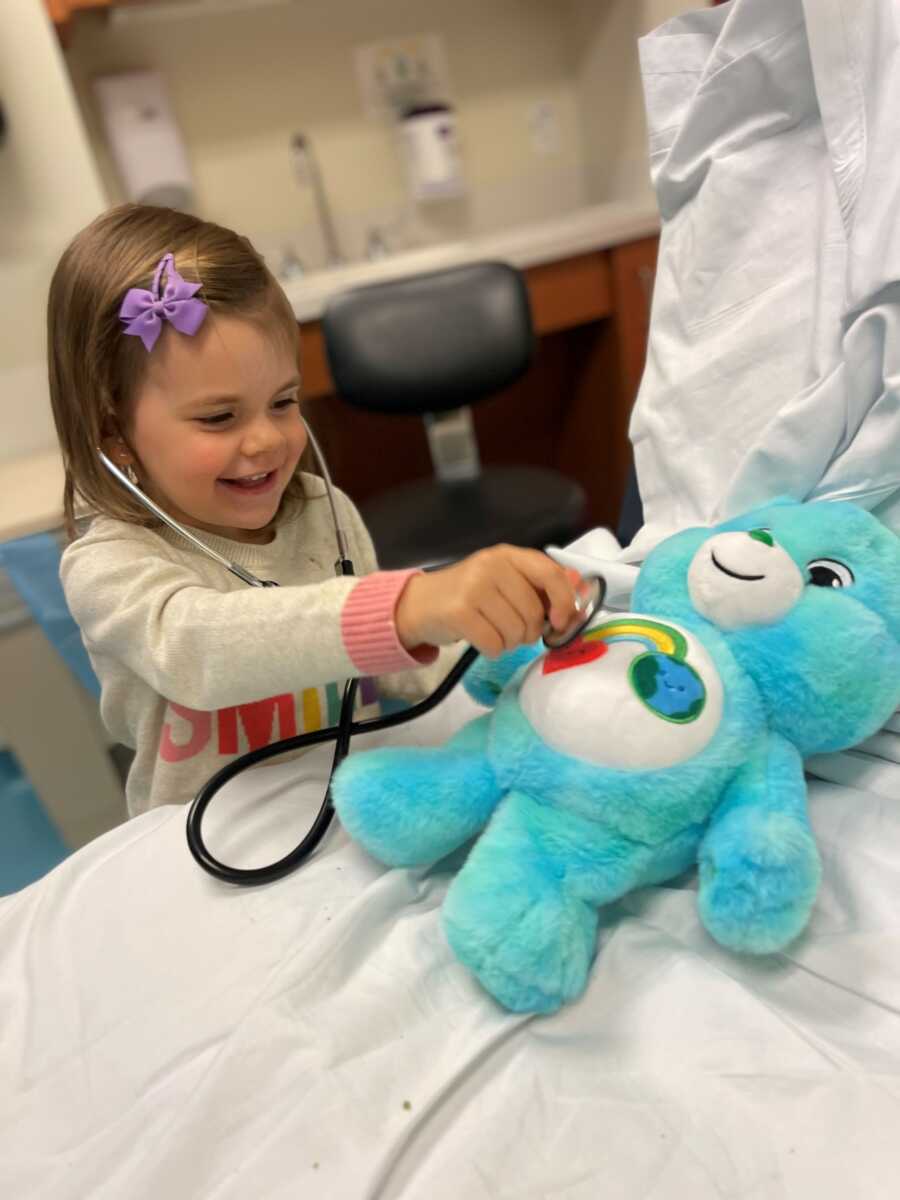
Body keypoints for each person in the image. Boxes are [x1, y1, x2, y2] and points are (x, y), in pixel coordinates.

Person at [48, 204, 581, 817]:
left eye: (282, 401)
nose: (266, 441)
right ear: (116, 438)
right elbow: (197, 649)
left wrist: (500, 644)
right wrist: (410, 605)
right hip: (210, 847)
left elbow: (389, 679)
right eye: (219, 417)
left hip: (349, 812)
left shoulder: (322, 512)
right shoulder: (108, 566)